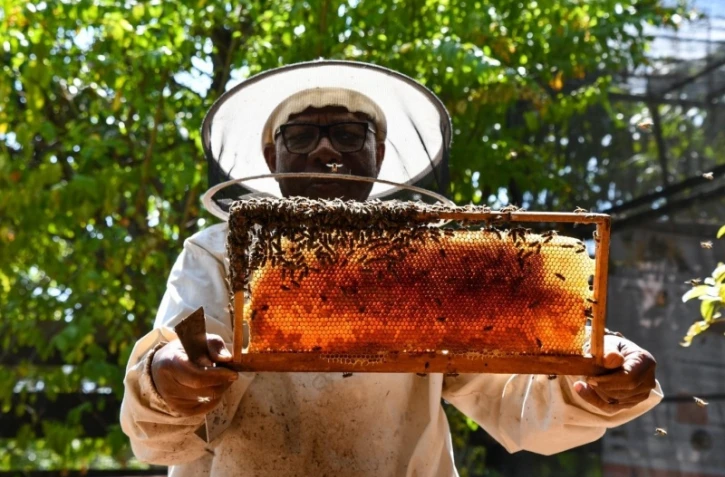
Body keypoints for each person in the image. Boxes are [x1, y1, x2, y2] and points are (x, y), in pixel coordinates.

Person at [120, 61, 662, 476]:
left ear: (379, 156)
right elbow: (159, 422)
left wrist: (592, 385)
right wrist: (169, 377)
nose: (326, 150)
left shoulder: (432, 261)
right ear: (272, 159)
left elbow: (511, 395)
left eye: (350, 134)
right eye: (302, 136)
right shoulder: (217, 253)